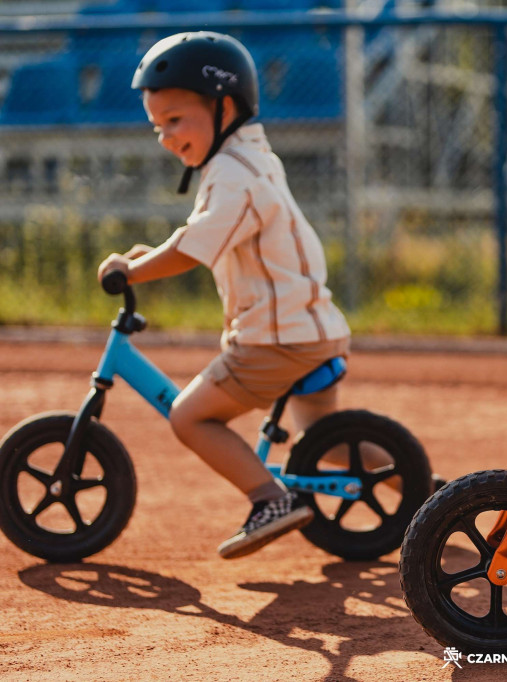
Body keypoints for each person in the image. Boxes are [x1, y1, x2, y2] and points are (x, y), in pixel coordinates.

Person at [97, 32, 351, 560]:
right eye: (156, 126)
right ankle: (425, 493)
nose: (165, 137)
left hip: (273, 341)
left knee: (190, 417)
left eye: (175, 120)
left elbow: (194, 247)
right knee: (328, 441)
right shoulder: (246, 159)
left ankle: (270, 498)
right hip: (312, 329)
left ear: (224, 106)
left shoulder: (233, 173)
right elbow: (202, 235)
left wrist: (134, 272)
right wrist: (145, 256)